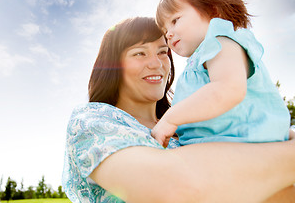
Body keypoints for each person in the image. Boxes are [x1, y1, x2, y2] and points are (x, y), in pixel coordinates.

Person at [62, 16, 295, 202]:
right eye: (139, 53)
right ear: (113, 66)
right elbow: (175, 192)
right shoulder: (92, 121)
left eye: (163, 51)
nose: (156, 63)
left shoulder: (189, 124)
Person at [151, 0, 290, 147]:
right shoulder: (201, 58)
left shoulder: (221, 42)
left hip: (243, 144)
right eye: (165, 31)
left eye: (175, 20)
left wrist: (171, 119)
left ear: (212, 11)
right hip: (223, 147)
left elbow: (228, 89)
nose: (169, 34)